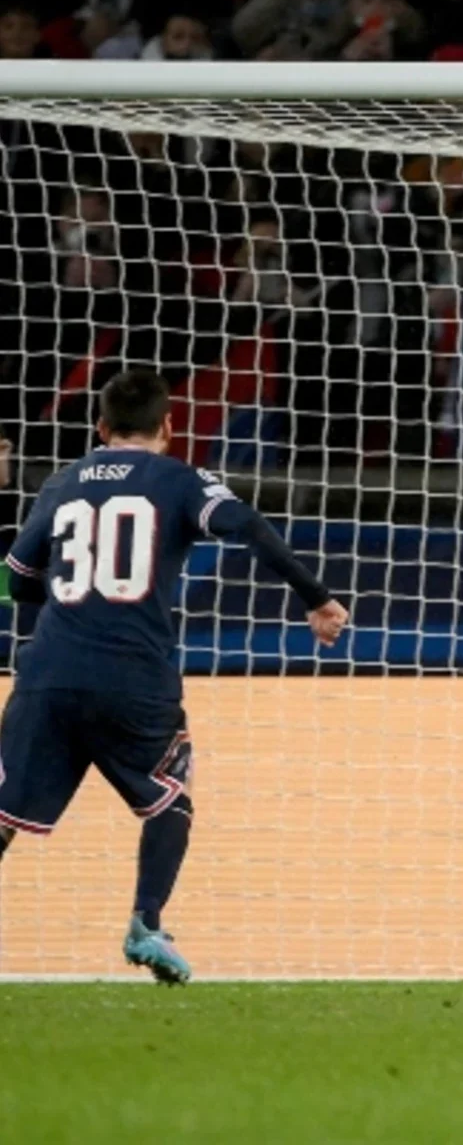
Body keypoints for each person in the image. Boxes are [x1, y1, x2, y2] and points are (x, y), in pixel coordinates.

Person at [0, 372, 348, 984]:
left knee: (3, 814)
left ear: (101, 429)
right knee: (168, 797)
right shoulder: (181, 480)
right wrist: (315, 597)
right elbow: (249, 527)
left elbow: (21, 577)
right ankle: (146, 923)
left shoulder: (62, 481)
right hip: (135, 676)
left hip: (47, 674)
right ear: (169, 427)